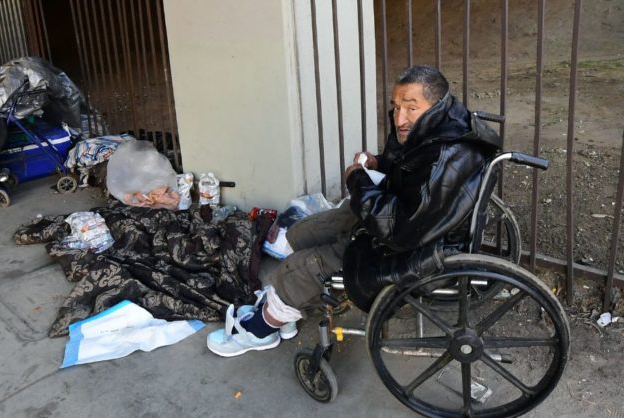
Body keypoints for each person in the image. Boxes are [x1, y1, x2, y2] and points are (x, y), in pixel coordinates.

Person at [207, 65, 501, 357]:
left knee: (306, 264)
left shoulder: (445, 158)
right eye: (396, 107)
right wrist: (378, 164)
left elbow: (397, 229)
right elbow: (413, 169)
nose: (400, 118)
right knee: (321, 224)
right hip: (420, 224)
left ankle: (261, 329)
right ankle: (281, 304)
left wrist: (357, 179)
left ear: (435, 104)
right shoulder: (444, 125)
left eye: (411, 108)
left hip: (419, 249)